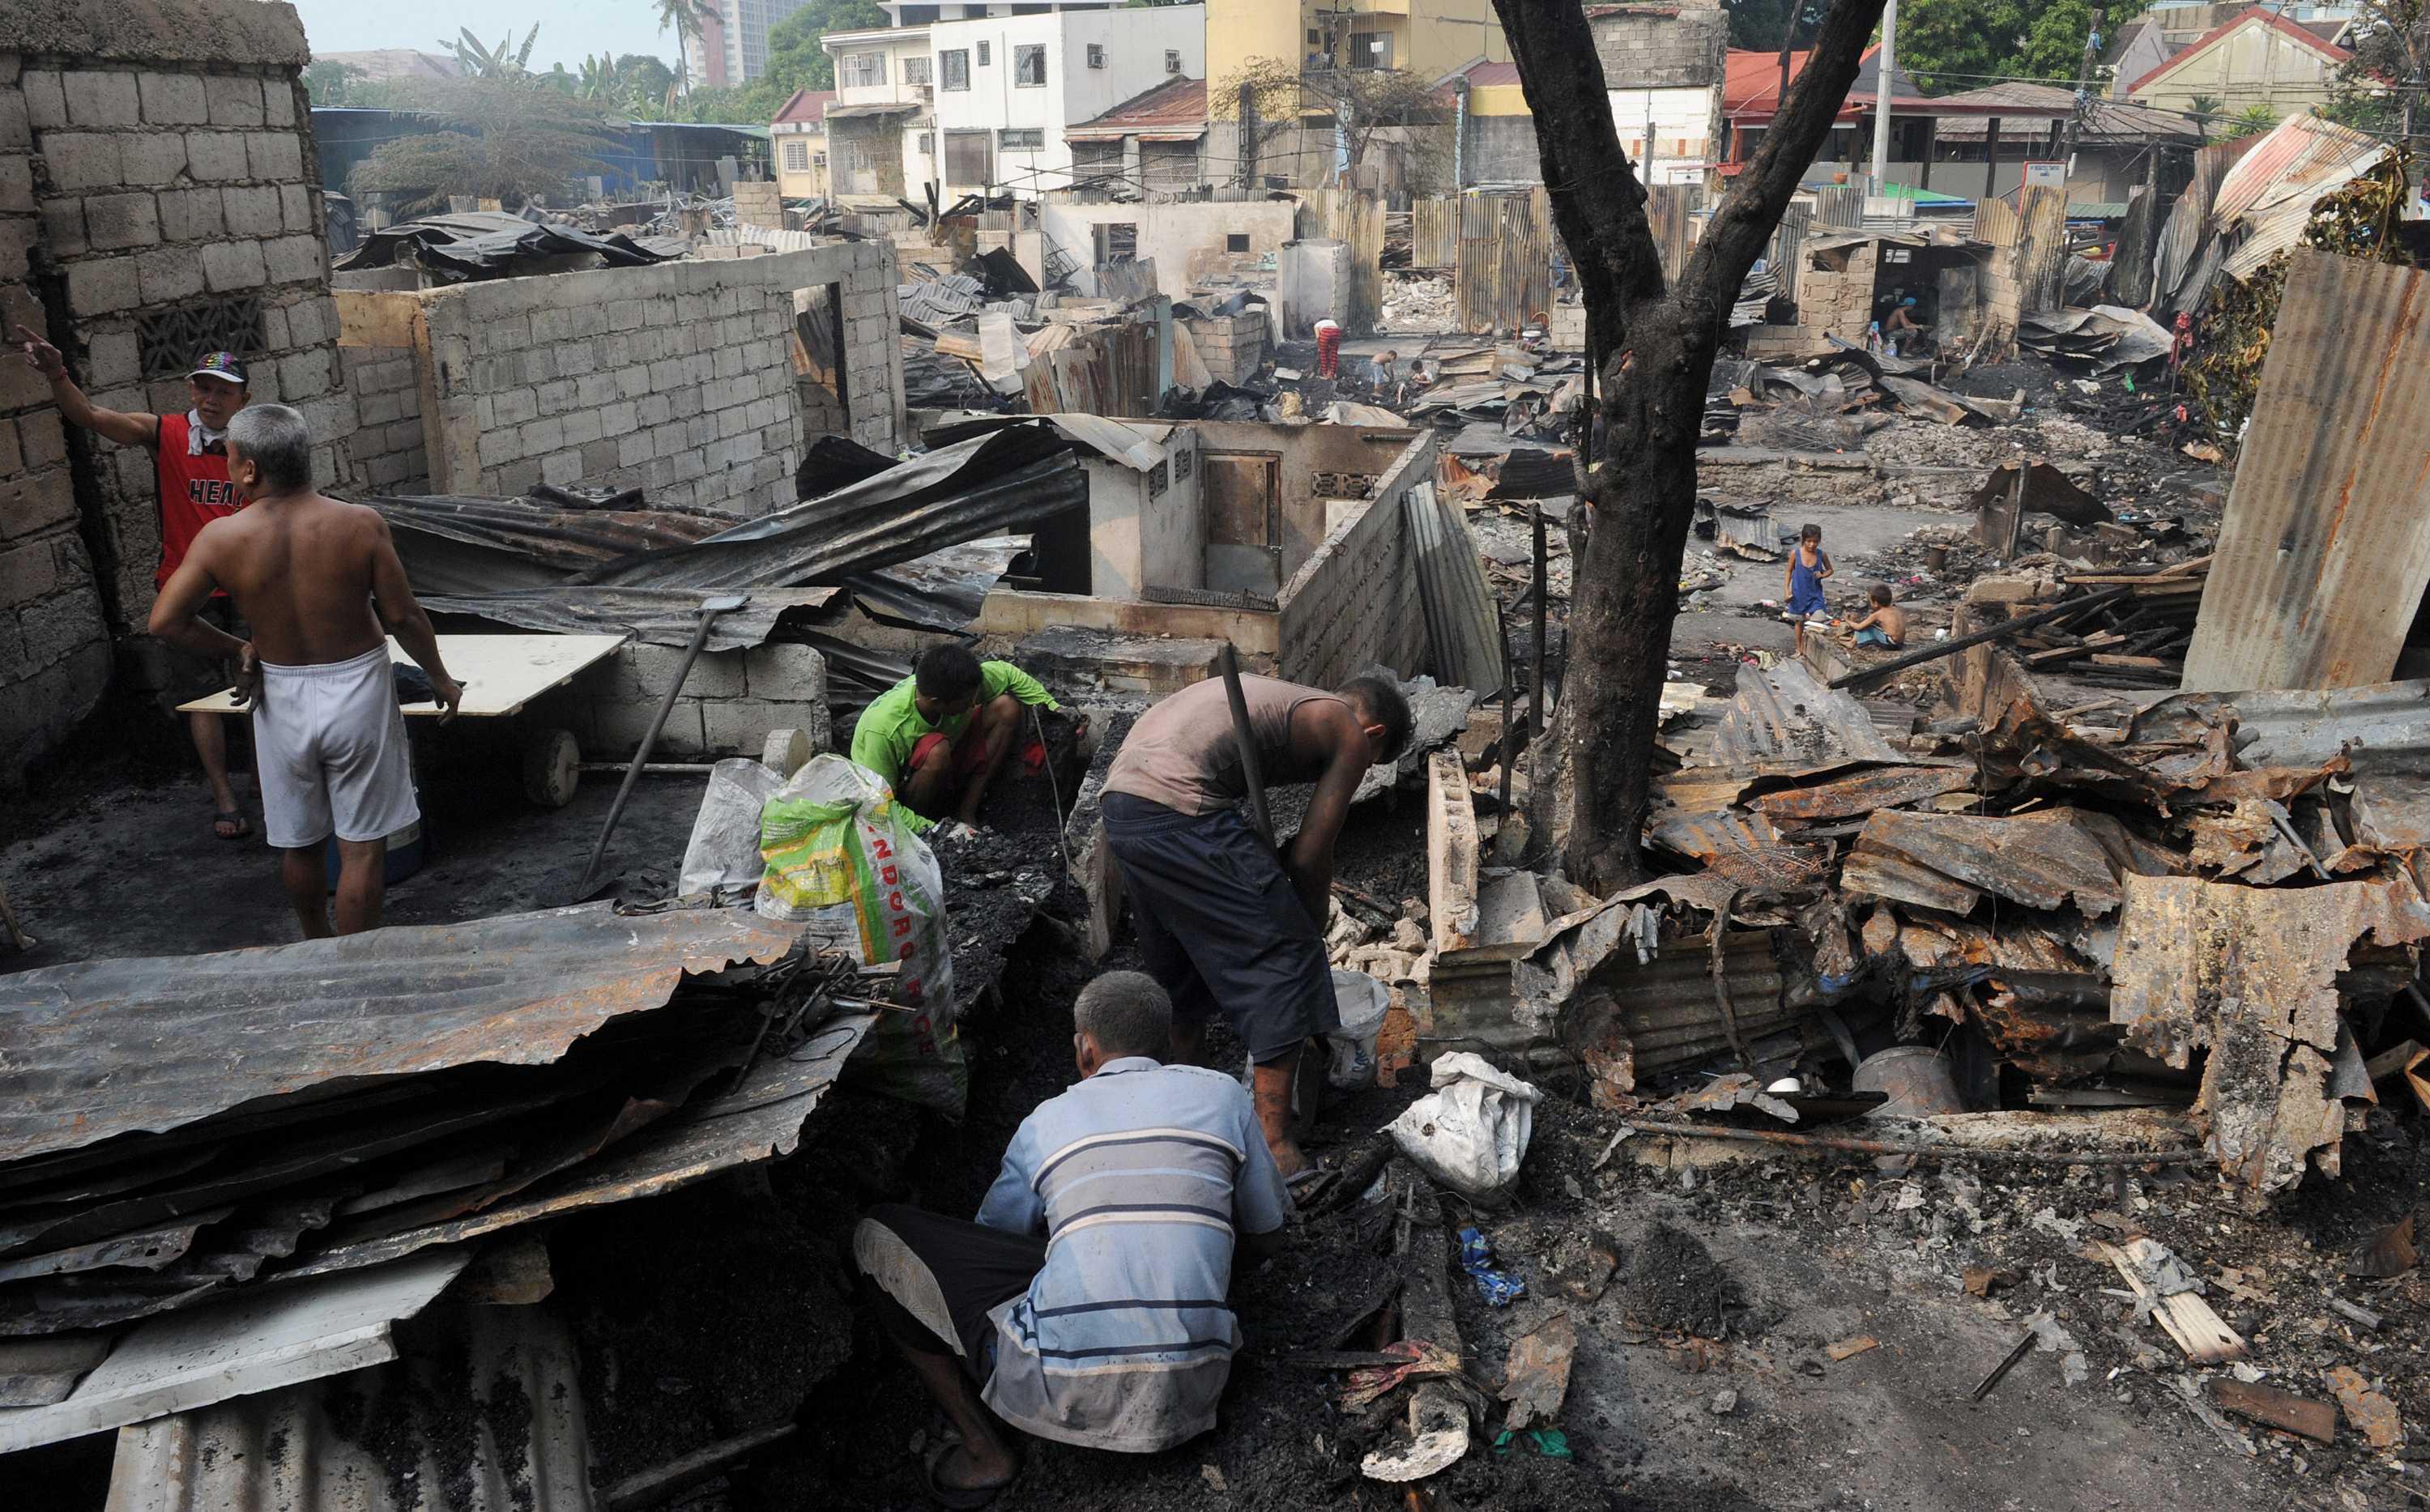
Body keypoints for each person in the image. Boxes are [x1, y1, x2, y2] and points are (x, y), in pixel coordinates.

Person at [854, 971, 1289, 1506]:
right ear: (1170, 1042)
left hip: (1060, 1388)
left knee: (877, 1234)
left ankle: (984, 1451)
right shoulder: (1222, 1095)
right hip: (1200, 1383)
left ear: (1085, 1050)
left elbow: (993, 1238)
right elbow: (1268, 1236)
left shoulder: (1046, 1121)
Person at [147, 404, 463, 939]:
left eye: (228, 458)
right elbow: (404, 615)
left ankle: (315, 946)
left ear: (250, 470)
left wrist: (237, 647)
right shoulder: (358, 524)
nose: (228, 469)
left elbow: (166, 620)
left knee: (300, 840)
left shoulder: (221, 539)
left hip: (282, 693)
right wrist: (440, 677)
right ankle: (354, 964)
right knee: (361, 846)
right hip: (358, 688)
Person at [1100, 672, 1412, 1177]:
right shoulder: (1349, 730)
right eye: (1372, 767)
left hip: (1123, 805)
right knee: (1284, 957)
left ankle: (1189, 1098)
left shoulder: (1283, 697)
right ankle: (1273, 1143)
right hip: (1180, 805)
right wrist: (1305, 930)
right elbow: (1310, 857)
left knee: (1178, 957)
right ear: (1373, 735)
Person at [17, 326, 257, 840]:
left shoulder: (255, 445)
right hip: (188, 590)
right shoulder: (166, 433)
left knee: (264, 686)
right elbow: (91, 418)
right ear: (191, 390)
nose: (212, 399)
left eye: (224, 391)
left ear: (243, 398)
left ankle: (273, 784)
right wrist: (57, 373)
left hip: (248, 586)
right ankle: (224, 796)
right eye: (204, 388)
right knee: (200, 696)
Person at [850, 645, 1066, 837]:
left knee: (1006, 707)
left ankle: (966, 811)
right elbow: (879, 807)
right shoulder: (883, 730)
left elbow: (1008, 673)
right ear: (936, 702)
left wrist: (1055, 708)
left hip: (949, 760)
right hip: (901, 793)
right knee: (936, 750)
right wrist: (941, 831)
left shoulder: (957, 687)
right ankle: (928, 828)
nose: (974, 704)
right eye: (967, 702)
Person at [1783, 522, 1833, 654]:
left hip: (1815, 595)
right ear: (1803, 540)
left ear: (1819, 541)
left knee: (1820, 617)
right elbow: (1789, 572)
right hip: (1798, 594)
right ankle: (1799, 649)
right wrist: (1787, 591)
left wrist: (1822, 575)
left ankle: (1810, 643)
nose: (1812, 545)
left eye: (1815, 542)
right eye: (1809, 541)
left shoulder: (1821, 555)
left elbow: (1830, 570)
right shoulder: (1796, 554)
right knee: (1798, 622)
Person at [1843, 582, 1908, 649]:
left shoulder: (1878, 614)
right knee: (1875, 624)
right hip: (1900, 643)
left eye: (1870, 601)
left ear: (1876, 603)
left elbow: (1858, 627)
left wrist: (1847, 620)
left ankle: (1852, 643)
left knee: (1866, 626)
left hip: (1891, 644)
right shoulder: (1895, 609)